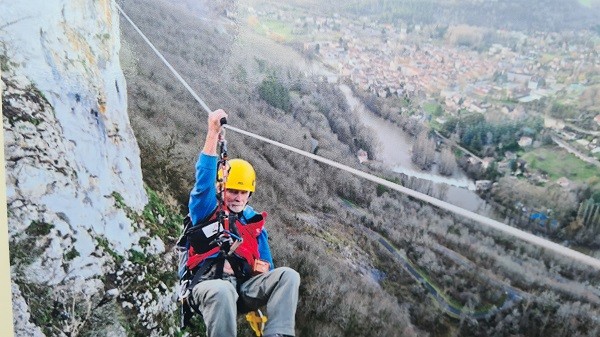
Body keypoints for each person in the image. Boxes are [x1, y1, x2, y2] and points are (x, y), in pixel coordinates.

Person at [186, 108, 300, 337]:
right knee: (223, 291)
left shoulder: (254, 224)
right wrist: (212, 134)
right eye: (233, 191)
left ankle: (278, 334)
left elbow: (267, 267)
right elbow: (203, 181)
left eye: (243, 192)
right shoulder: (207, 209)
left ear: (250, 194)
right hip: (209, 285)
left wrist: (256, 268)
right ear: (222, 188)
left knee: (288, 276)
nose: (238, 197)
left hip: (242, 288)